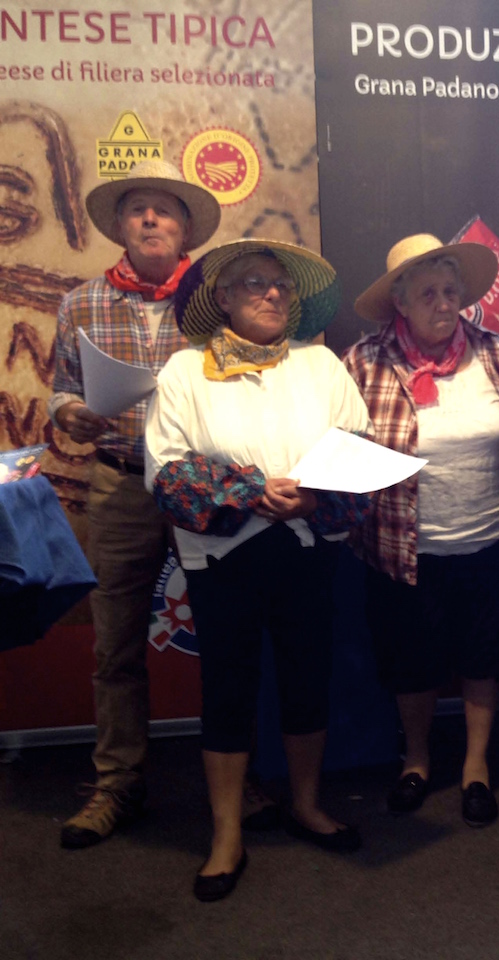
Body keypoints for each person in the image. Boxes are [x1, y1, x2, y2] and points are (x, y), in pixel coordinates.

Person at [144, 239, 373, 901]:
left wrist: (312, 499)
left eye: (280, 285)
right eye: (252, 283)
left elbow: (358, 450)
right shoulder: (184, 371)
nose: (271, 293)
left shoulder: (320, 364)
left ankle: (306, 804)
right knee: (227, 688)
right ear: (222, 297)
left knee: (307, 676)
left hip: (307, 546)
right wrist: (249, 491)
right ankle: (226, 835)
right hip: (223, 557)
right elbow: (166, 472)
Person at [48, 160, 221, 849]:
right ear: (120, 225)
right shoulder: (79, 303)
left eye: (164, 209)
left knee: (227, 634)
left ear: (185, 230)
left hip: (200, 482)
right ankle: (117, 783)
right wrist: (71, 414)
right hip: (119, 482)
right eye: (137, 209)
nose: (150, 218)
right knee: (115, 643)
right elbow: (62, 388)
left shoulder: (213, 303)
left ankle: (238, 775)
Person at [343, 234, 499, 826]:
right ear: (399, 301)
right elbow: (338, 445)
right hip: (402, 546)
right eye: (428, 293)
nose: (444, 303)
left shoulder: (497, 353)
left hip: (491, 537)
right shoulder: (363, 361)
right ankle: (417, 759)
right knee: (411, 661)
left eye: (451, 291)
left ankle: (476, 764)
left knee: (483, 655)